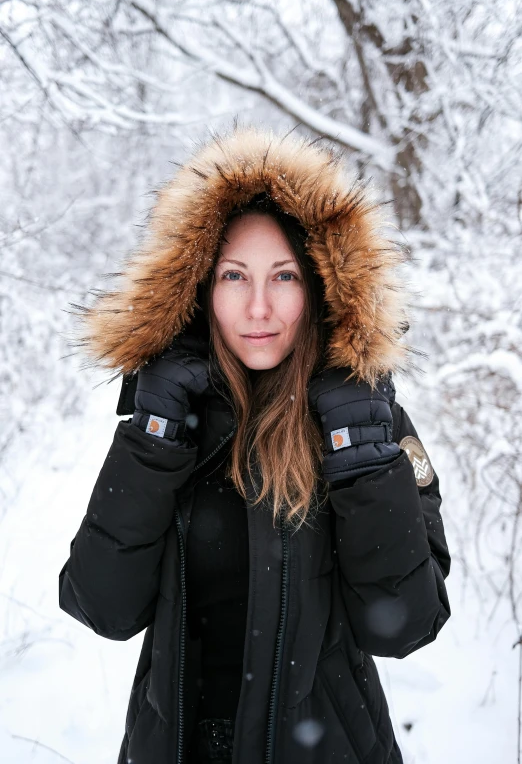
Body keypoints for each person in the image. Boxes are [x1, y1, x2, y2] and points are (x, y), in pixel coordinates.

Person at [59, 126, 451, 764]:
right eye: (235, 276)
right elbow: (101, 606)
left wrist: (363, 456)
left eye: (285, 276)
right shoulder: (168, 415)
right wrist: (152, 439)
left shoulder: (368, 419)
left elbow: (406, 624)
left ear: (320, 287)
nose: (260, 306)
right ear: (200, 289)